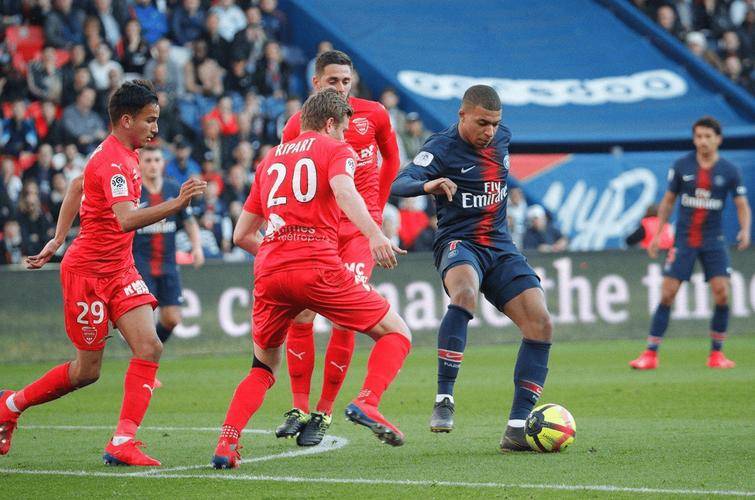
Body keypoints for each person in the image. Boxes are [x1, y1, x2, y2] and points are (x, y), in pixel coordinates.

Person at [1, 80, 206, 466]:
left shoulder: (121, 154)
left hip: (120, 270)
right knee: (86, 372)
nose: (155, 128)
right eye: (149, 120)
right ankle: (10, 405)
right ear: (126, 120)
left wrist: (57, 238)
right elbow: (126, 219)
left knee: (150, 346)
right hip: (89, 276)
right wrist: (176, 204)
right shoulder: (114, 161)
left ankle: (122, 441)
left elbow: (77, 185)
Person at [211, 89, 411, 469]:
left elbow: (241, 235)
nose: (346, 136)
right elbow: (344, 191)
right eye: (344, 129)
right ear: (330, 123)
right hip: (318, 264)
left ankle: (226, 442)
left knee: (262, 368)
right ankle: (367, 401)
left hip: (270, 270)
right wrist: (374, 234)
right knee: (396, 332)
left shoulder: (269, 160)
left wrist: (278, 255)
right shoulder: (336, 150)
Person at [391, 85, 553, 451]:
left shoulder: (502, 139)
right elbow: (400, 182)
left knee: (540, 322)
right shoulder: (441, 147)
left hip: (500, 245)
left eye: (495, 123)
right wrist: (428, 184)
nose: (490, 131)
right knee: (465, 293)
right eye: (482, 123)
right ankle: (444, 399)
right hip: (459, 242)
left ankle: (516, 428)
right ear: (462, 115)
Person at [276, 50, 400, 447]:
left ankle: (324, 412)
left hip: (359, 233)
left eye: (347, 81)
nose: (342, 88)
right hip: (321, 230)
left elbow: (391, 159)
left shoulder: (374, 114)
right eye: (333, 81)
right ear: (316, 83)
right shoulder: (296, 125)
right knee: (302, 313)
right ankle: (298, 408)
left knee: (345, 319)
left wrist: (375, 211)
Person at [629, 116, 751, 370]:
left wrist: (745, 230)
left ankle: (716, 354)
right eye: (698, 136)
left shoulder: (729, 170)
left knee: (722, 293)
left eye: (708, 136)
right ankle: (650, 353)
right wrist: (658, 234)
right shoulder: (682, 165)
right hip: (684, 240)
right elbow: (668, 201)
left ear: (718, 139)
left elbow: (741, 204)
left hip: (714, 240)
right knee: (667, 293)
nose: (702, 141)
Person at [133, 145, 204, 347]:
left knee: (172, 318)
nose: (153, 165)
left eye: (157, 160)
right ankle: (146, 355)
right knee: (145, 322)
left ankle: (147, 350)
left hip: (168, 264)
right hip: (141, 265)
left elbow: (189, 221)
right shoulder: (135, 191)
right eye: (148, 160)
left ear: (163, 163)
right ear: (139, 164)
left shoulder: (173, 189)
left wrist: (197, 247)